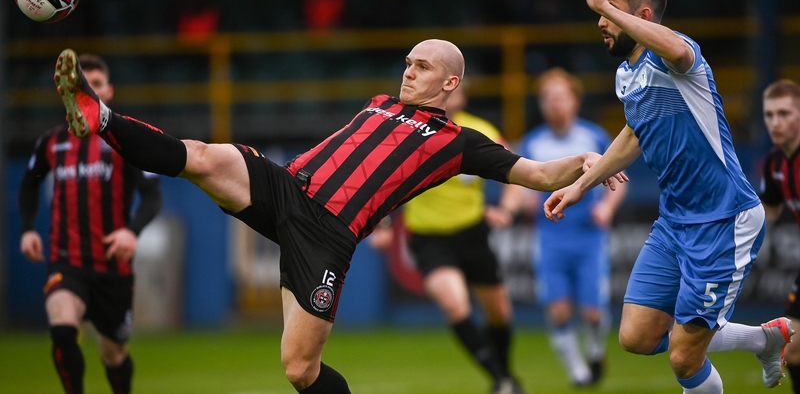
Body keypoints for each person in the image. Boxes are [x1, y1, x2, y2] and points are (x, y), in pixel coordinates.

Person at [51, 39, 626, 394]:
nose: (408, 72)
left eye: (422, 66)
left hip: (327, 235)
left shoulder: (459, 143)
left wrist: (588, 162)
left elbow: (537, 173)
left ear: (449, 83)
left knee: (299, 369)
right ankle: (101, 116)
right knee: (202, 155)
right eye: (407, 63)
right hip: (286, 188)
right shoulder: (379, 103)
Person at [543, 0, 793, 393]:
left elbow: (676, 50)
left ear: (641, 15)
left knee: (683, 356)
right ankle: (764, 339)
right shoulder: (627, 75)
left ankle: (755, 342)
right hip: (674, 223)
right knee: (636, 337)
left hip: (723, 219)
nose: (600, 20)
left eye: (611, 8)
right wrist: (580, 185)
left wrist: (604, 6)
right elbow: (633, 134)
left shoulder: (677, 57)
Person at [19, 53, 162, 394]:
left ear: (108, 91)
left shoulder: (125, 142)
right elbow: (29, 184)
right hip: (66, 259)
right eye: (81, 83)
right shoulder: (52, 142)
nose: (88, 89)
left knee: (114, 354)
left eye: (94, 84)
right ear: (68, 90)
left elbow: (152, 196)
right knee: (62, 328)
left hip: (113, 266)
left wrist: (132, 232)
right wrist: (26, 229)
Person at [370, 82, 526, 394]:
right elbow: (380, 181)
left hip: (473, 234)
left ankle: (505, 375)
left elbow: (519, 175)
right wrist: (382, 226)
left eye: (455, 90)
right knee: (456, 306)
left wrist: (507, 211)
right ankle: (501, 379)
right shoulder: (410, 131)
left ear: (463, 96)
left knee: (500, 313)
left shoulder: (481, 131)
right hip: (429, 239)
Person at [518, 67, 627, 386]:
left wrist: (606, 207)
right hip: (551, 236)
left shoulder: (594, 138)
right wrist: (523, 202)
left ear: (575, 101)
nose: (554, 104)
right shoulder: (532, 143)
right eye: (547, 98)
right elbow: (521, 184)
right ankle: (578, 372)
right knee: (560, 311)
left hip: (588, 236)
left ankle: (595, 351)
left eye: (560, 97)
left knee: (592, 312)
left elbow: (619, 180)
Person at [761, 78, 800, 393]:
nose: (776, 122)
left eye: (784, 113)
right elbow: (767, 213)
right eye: (769, 114)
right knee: (793, 347)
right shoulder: (774, 163)